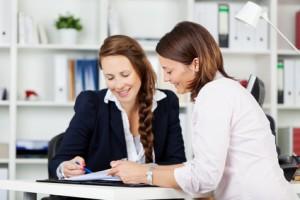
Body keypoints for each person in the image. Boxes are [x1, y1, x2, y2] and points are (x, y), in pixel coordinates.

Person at [108, 22, 293, 200]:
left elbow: (204, 178)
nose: (166, 78)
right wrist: (147, 169)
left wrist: (144, 175)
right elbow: (201, 166)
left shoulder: (214, 94)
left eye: (169, 70)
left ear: (195, 64)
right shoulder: (225, 89)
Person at [49, 35, 186, 181]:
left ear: (141, 69)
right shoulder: (91, 103)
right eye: (110, 77)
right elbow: (57, 163)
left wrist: (143, 172)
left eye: (125, 75)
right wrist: (66, 168)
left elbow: (176, 165)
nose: (119, 85)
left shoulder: (166, 102)